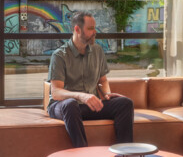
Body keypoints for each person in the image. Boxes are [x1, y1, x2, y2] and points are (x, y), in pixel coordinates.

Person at [46, 12, 135, 148]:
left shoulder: (97, 51)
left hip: (89, 107)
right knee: (71, 104)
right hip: (63, 107)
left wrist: (106, 94)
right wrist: (81, 95)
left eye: (95, 28)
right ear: (77, 29)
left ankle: (125, 152)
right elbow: (56, 92)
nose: (95, 32)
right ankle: (83, 154)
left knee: (125, 103)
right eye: (90, 28)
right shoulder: (59, 55)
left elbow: (103, 80)